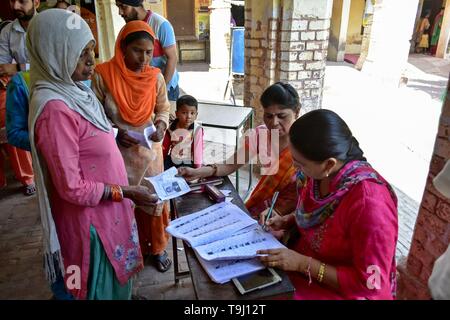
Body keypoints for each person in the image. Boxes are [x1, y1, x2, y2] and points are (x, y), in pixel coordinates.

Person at [27, 9, 157, 299]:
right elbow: (71, 187)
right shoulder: (54, 109)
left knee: (117, 285)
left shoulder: (75, 92)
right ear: (53, 52)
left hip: (109, 210)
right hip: (91, 224)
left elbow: (87, 139)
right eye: (79, 52)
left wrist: (113, 134)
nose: (90, 60)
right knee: (100, 288)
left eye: (91, 51)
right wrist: (127, 192)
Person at [257, 109, 398, 300]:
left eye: (299, 164)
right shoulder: (319, 175)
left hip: (340, 290)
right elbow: (316, 216)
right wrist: (288, 220)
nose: (295, 170)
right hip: (302, 265)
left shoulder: (371, 205)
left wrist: (302, 264)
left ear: (329, 164)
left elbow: (372, 283)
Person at [93, 21, 172, 273]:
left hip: (150, 153)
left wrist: (161, 125)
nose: (144, 58)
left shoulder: (155, 77)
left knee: (152, 200)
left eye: (149, 52)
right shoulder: (102, 75)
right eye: (138, 50)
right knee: (122, 204)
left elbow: (164, 108)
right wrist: (116, 132)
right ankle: (127, 253)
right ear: (122, 48)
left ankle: (157, 248)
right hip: (116, 154)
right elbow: (93, 114)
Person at [178, 82, 301, 219]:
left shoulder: (307, 144)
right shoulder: (261, 135)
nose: (274, 123)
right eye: (268, 116)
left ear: (297, 111)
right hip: (265, 209)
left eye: (282, 116)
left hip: (296, 216)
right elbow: (230, 165)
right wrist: (196, 172)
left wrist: (286, 219)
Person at [0, 0, 38, 195]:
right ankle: (30, 177)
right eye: (13, 1)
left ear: (36, 2)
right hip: (21, 90)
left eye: (22, 1)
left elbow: (49, 63)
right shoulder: (7, 31)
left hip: (47, 88)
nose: (16, 6)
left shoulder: (46, 25)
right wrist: (24, 69)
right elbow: (2, 66)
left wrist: (17, 68)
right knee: (23, 133)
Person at [115, 0, 180, 101]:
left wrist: (161, 89)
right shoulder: (129, 27)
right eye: (118, 7)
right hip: (143, 88)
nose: (120, 12)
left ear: (135, 4)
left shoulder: (160, 24)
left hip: (165, 88)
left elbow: (172, 58)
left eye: (123, 7)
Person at [162, 94, 203, 170]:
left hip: (187, 161)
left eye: (192, 113)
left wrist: (197, 170)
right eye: (184, 113)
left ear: (196, 115)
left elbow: (198, 151)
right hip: (172, 159)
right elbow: (165, 147)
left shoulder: (197, 130)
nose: (189, 116)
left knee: (184, 174)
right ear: (176, 114)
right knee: (162, 170)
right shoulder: (171, 128)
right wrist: (161, 162)